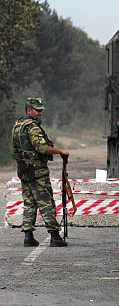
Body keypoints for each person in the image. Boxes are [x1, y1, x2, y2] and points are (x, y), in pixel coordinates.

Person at [11, 97, 70, 247]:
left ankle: (28, 237)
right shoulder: (32, 127)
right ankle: (55, 236)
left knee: (29, 202)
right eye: (37, 111)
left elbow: (16, 150)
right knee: (46, 202)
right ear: (29, 110)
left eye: (41, 111)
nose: (40, 114)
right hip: (37, 171)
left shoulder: (18, 126)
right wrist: (60, 151)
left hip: (24, 170)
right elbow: (42, 148)